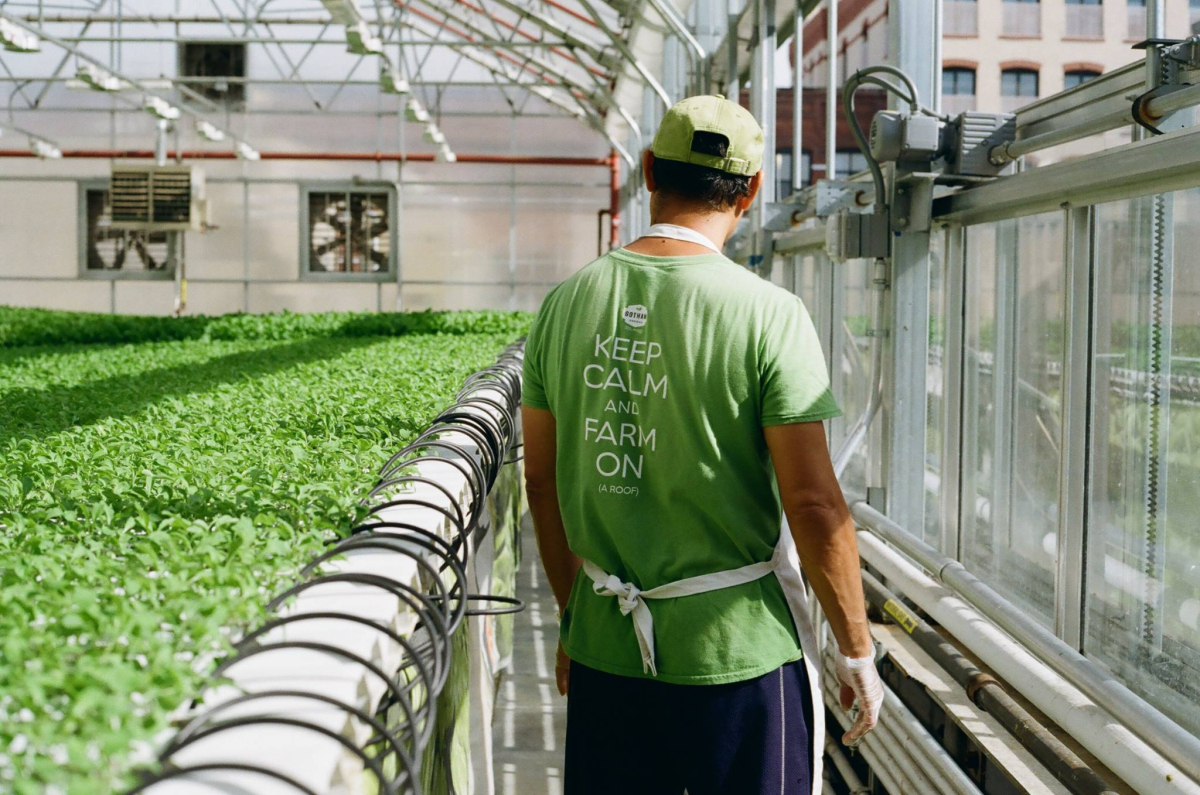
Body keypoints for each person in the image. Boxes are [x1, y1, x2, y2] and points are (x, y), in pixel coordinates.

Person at [520, 94, 883, 795]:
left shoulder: (565, 303)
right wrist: (856, 648)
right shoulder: (768, 314)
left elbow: (542, 481)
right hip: (739, 654)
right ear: (750, 190)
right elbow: (811, 500)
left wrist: (576, 617)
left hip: (607, 648)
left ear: (650, 169)